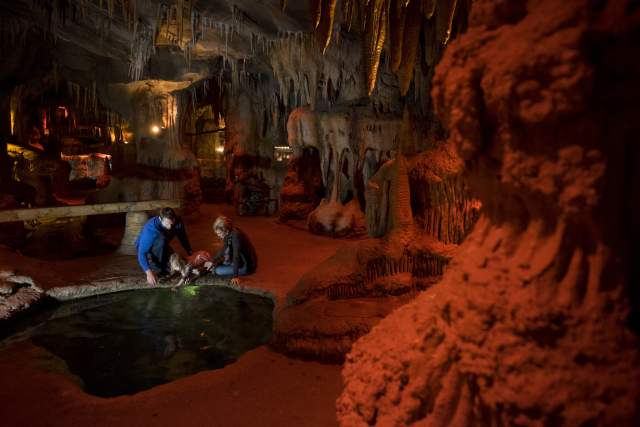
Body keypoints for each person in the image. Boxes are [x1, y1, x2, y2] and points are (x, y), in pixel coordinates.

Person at [136, 207, 193, 286]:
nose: (169, 227)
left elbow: (183, 238)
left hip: (163, 245)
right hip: (148, 250)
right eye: (167, 224)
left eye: (171, 223)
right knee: (161, 241)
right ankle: (157, 268)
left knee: (177, 263)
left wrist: (190, 254)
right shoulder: (151, 229)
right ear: (160, 219)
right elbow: (141, 253)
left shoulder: (178, 222)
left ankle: (165, 267)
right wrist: (148, 273)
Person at [211, 215, 257, 286]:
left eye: (219, 233)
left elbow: (236, 256)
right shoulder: (230, 232)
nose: (218, 235)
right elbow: (224, 249)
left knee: (217, 270)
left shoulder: (236, 236)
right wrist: (212, 261)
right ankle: (229, 266)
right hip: (241, 261)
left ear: (226, 230)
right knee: (218, 264)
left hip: (247, 266)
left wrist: (235, 276)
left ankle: (240, 271)